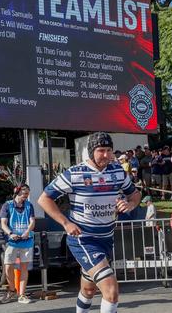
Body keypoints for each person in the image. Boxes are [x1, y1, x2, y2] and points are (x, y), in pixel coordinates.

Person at [38, 132, 140, 313]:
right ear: (91, 151)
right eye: (101, 151)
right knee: (111, 290)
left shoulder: (117, 171)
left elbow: (135, 194)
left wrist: (130, 204)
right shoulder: (75, 173)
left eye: (109, 150)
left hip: (106, 239)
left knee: (88, 289)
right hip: (83, 239)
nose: (107, 155)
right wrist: (66, 223)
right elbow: (44, 199)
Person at [0, 184, 36, 304]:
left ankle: (22, 294)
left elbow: (32, 222)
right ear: (17, 192)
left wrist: (27, 232)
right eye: (25, 193)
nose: (26, 196)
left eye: (27, 194)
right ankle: (11, 289)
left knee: (24, 268)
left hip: (27, 241)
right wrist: (10, 233)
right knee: (8, 266)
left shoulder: (29, 205)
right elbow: (3, 224)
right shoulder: (7, 205)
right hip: (12, 242)